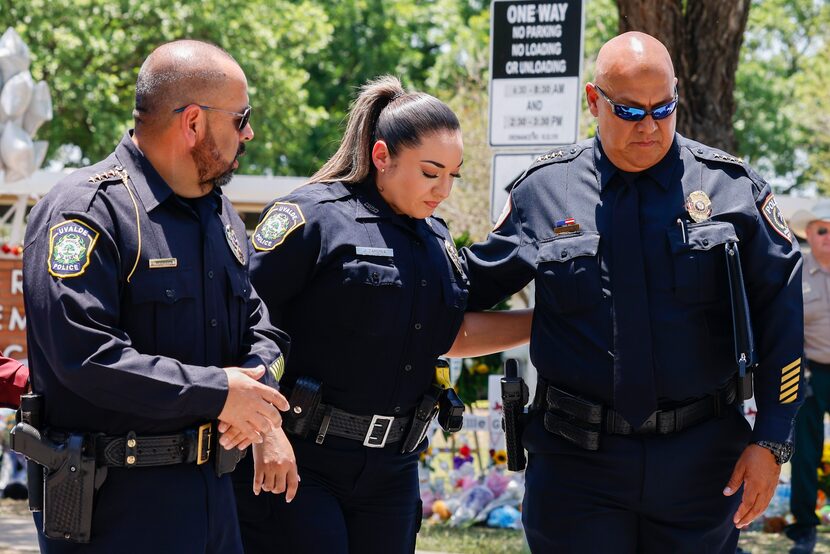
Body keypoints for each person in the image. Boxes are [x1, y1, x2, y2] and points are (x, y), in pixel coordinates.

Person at [461, 32, 804, 553]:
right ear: (594, 101)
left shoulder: (730, 188)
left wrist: (772, 441)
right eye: (630, 111)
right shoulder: (544, 190)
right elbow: (465, 287)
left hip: (703, 460)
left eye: (663, 108)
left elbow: (783, 316)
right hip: (578, 464)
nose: (650, 125)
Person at [232, 75, 531, 554]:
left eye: (453, 175)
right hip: (303, 460)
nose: (444, 190)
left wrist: (546, 321)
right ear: (381, 156)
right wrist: (265, 434)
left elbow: (447, 335)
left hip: (392, 471)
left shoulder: (435, 238)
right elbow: (245, 323)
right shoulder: (311, 217)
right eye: (431, 172)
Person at [22, 40, 291, 553]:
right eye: (241, 118)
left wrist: (256, 390)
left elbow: (263, 328)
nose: (250, 132)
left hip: (214, 496)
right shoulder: (85, 211)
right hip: (115, 507)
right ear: (193, 122)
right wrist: (220, 393)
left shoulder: (221, 217)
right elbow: (85, 356)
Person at [786, 200, 830, 553]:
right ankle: (804, 526)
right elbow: (787, 328)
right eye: (821, 230)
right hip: (812, 371)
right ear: (809, 235)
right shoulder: (794, 270)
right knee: (805, 451)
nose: (827, 237)